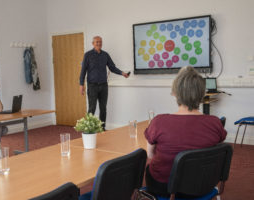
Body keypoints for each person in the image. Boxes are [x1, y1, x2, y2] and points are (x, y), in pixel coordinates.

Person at [144, 66, 227, 198]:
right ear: (201, 93)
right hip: (204, 184)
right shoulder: (215, 123)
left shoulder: (158, 122)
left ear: (175, 93)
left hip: (165, 187)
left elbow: (150, 155)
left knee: (148, 170)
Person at [79, 36, 129, 130]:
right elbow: (83, 71)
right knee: (92, 108)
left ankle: (102, 128)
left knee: (103, 109)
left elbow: (112, 67)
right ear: (93, 43)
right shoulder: (87, 55)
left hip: (103, 86)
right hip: (92, 86)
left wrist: (122, 73)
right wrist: (81, 84)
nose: (99, 43)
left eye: (100, 42)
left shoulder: (105, 55)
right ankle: (89, 129)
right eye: (97, 42)